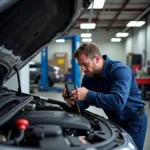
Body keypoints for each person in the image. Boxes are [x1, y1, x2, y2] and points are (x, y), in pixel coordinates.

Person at [62, 42, 147, 150]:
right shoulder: (89, 77)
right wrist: (74, 101)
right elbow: (85, 103)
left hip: (133, 121)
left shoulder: (120, 71)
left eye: (85, 64)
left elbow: (117, 102)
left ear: (97, 59)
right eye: (80, 65)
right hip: (114, 121)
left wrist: (87, 94)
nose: (82, 69)